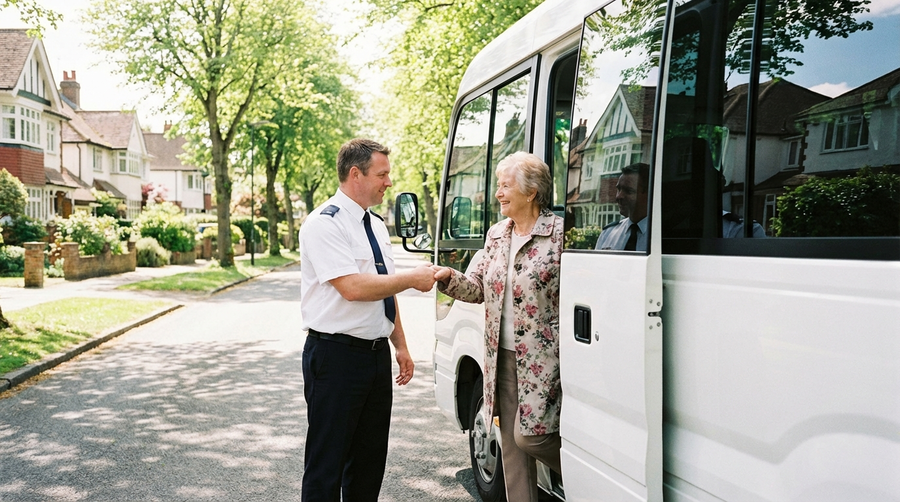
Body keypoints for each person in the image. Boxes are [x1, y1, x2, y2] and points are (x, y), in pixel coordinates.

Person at [299, 138, 436, 502]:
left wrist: (400, 345)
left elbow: (383, 289)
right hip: (335, 357)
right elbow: (353, 288)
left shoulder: (375, 224)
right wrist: (412, 278)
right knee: (326, 465)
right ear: (355, 174)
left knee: (368, 464)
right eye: (382, 174)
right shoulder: (324, 224)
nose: (389, 182)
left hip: (375, 357)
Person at [432, 152, 563, 502]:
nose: (498, 193)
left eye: (505, 186)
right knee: (511, 447)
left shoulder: (559, 235)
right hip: (500, 357)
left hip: (544, 360)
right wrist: (447, 277)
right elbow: (477, 287)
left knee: (531, 437)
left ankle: (595, 480)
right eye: (498, 186)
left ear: (531, 192)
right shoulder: (497, 235)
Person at [595, 162, 650, 251]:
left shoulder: (661, 235)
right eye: (618, 189)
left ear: (649, 194)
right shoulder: (608, 234)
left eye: (628, 191)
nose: (618, 197)